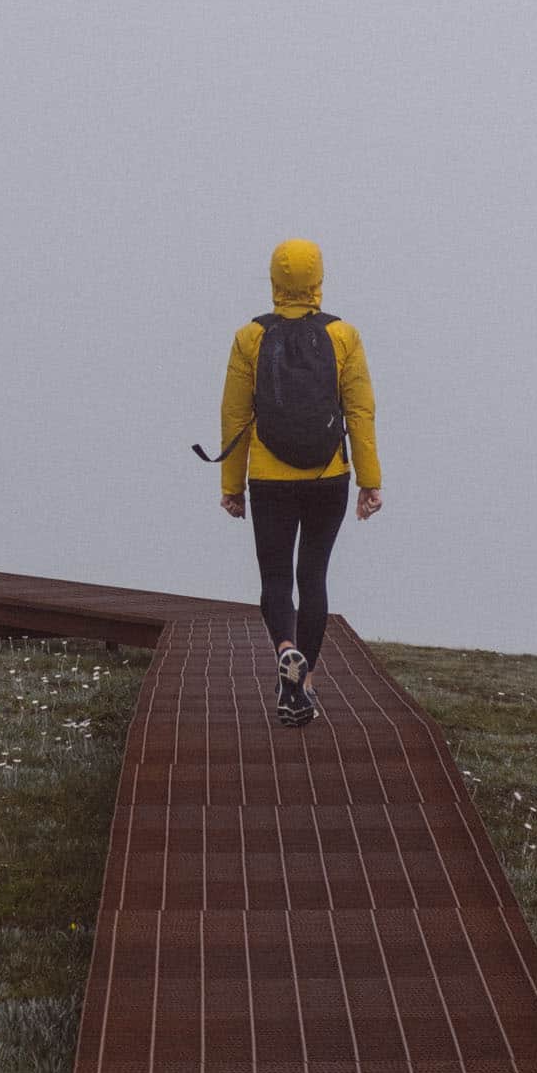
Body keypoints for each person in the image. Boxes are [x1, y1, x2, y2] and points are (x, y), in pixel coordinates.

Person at [217, 239, 381, 727]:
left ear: (273, 281)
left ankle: (286, 649)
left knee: (275, 579)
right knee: (313, 578)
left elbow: (235, 417)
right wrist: (369, 481)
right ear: (319, 280)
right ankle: (304, 682)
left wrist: (232, 485)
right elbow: (360, 412)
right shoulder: (343, 335)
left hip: (269, 478)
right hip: (329, 476)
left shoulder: (249, 337)